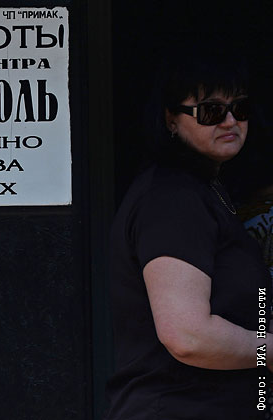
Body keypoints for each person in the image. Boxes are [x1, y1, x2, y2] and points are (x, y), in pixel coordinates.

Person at [104, 48, 272, 420]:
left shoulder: (205, 190)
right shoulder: (171, 198)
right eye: (211, 111)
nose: (230, 121)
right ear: (171, 120)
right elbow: (188, 336)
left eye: (240, 108)